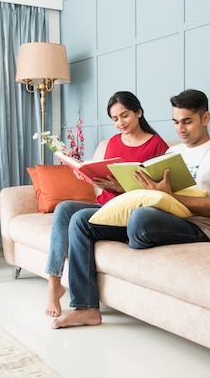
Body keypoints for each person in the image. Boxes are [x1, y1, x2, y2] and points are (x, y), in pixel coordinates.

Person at [53, 89, 210, 328]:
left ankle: (137, 233)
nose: (181, 129)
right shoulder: (173, 152)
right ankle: (86, 308)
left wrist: (169, 196)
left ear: (205, 119)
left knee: (140, 218)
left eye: (187, 121)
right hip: (158, 216)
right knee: (81, 220)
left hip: (197, 226)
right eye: (175, 122)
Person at [45, 91, 168, 317]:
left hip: (127, 214)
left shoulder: (157, 145)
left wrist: (122, 188)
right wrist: (90, 177)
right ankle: (54, 283)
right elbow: (108, 179)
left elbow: (159, 195)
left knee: (78, 219)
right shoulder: (112, 142)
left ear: (139, 113)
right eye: (115, 119)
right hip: (105, 206)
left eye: (125, 115)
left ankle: (84, 307)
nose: (120, 123)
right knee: (64, 209)